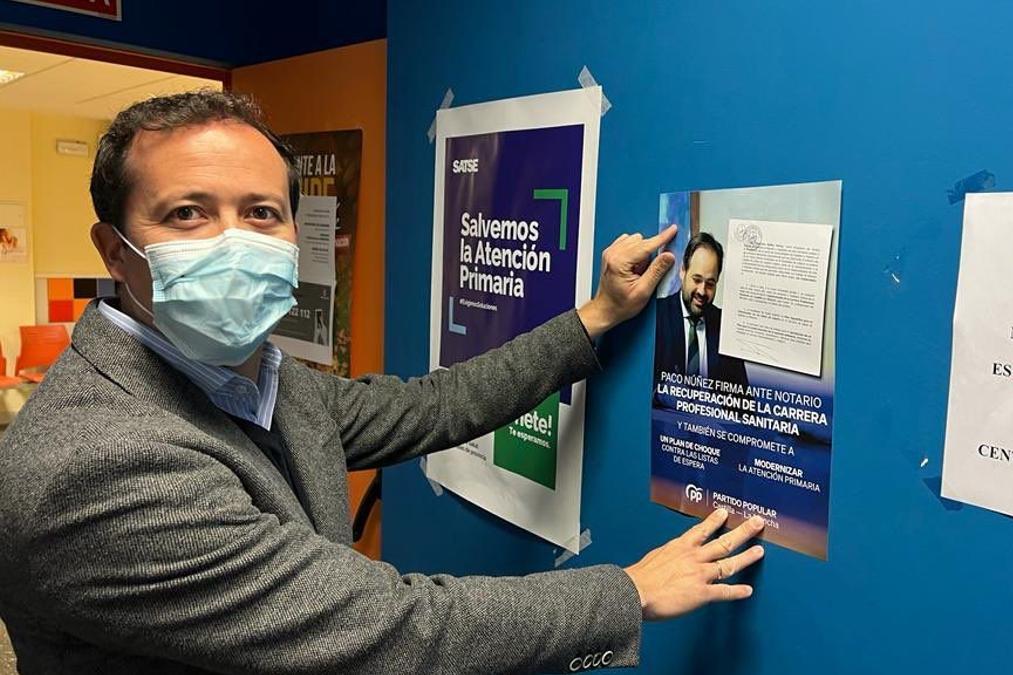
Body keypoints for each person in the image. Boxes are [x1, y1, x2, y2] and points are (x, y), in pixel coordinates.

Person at [0, 91, 765, 674]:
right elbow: (387, 628)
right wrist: (629, 591)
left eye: (261, 212)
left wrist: (594, 317)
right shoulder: (95, 463)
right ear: (115, 249)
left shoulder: (254, 376)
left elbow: (431, 406)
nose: (234, 241)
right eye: (188, 214)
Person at [654, 232, 749, 387]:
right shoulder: (657, 316)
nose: (702, 291)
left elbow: (741, 395)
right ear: (682, 271)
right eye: (697, 280)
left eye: (710, 283)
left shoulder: (726, 327)